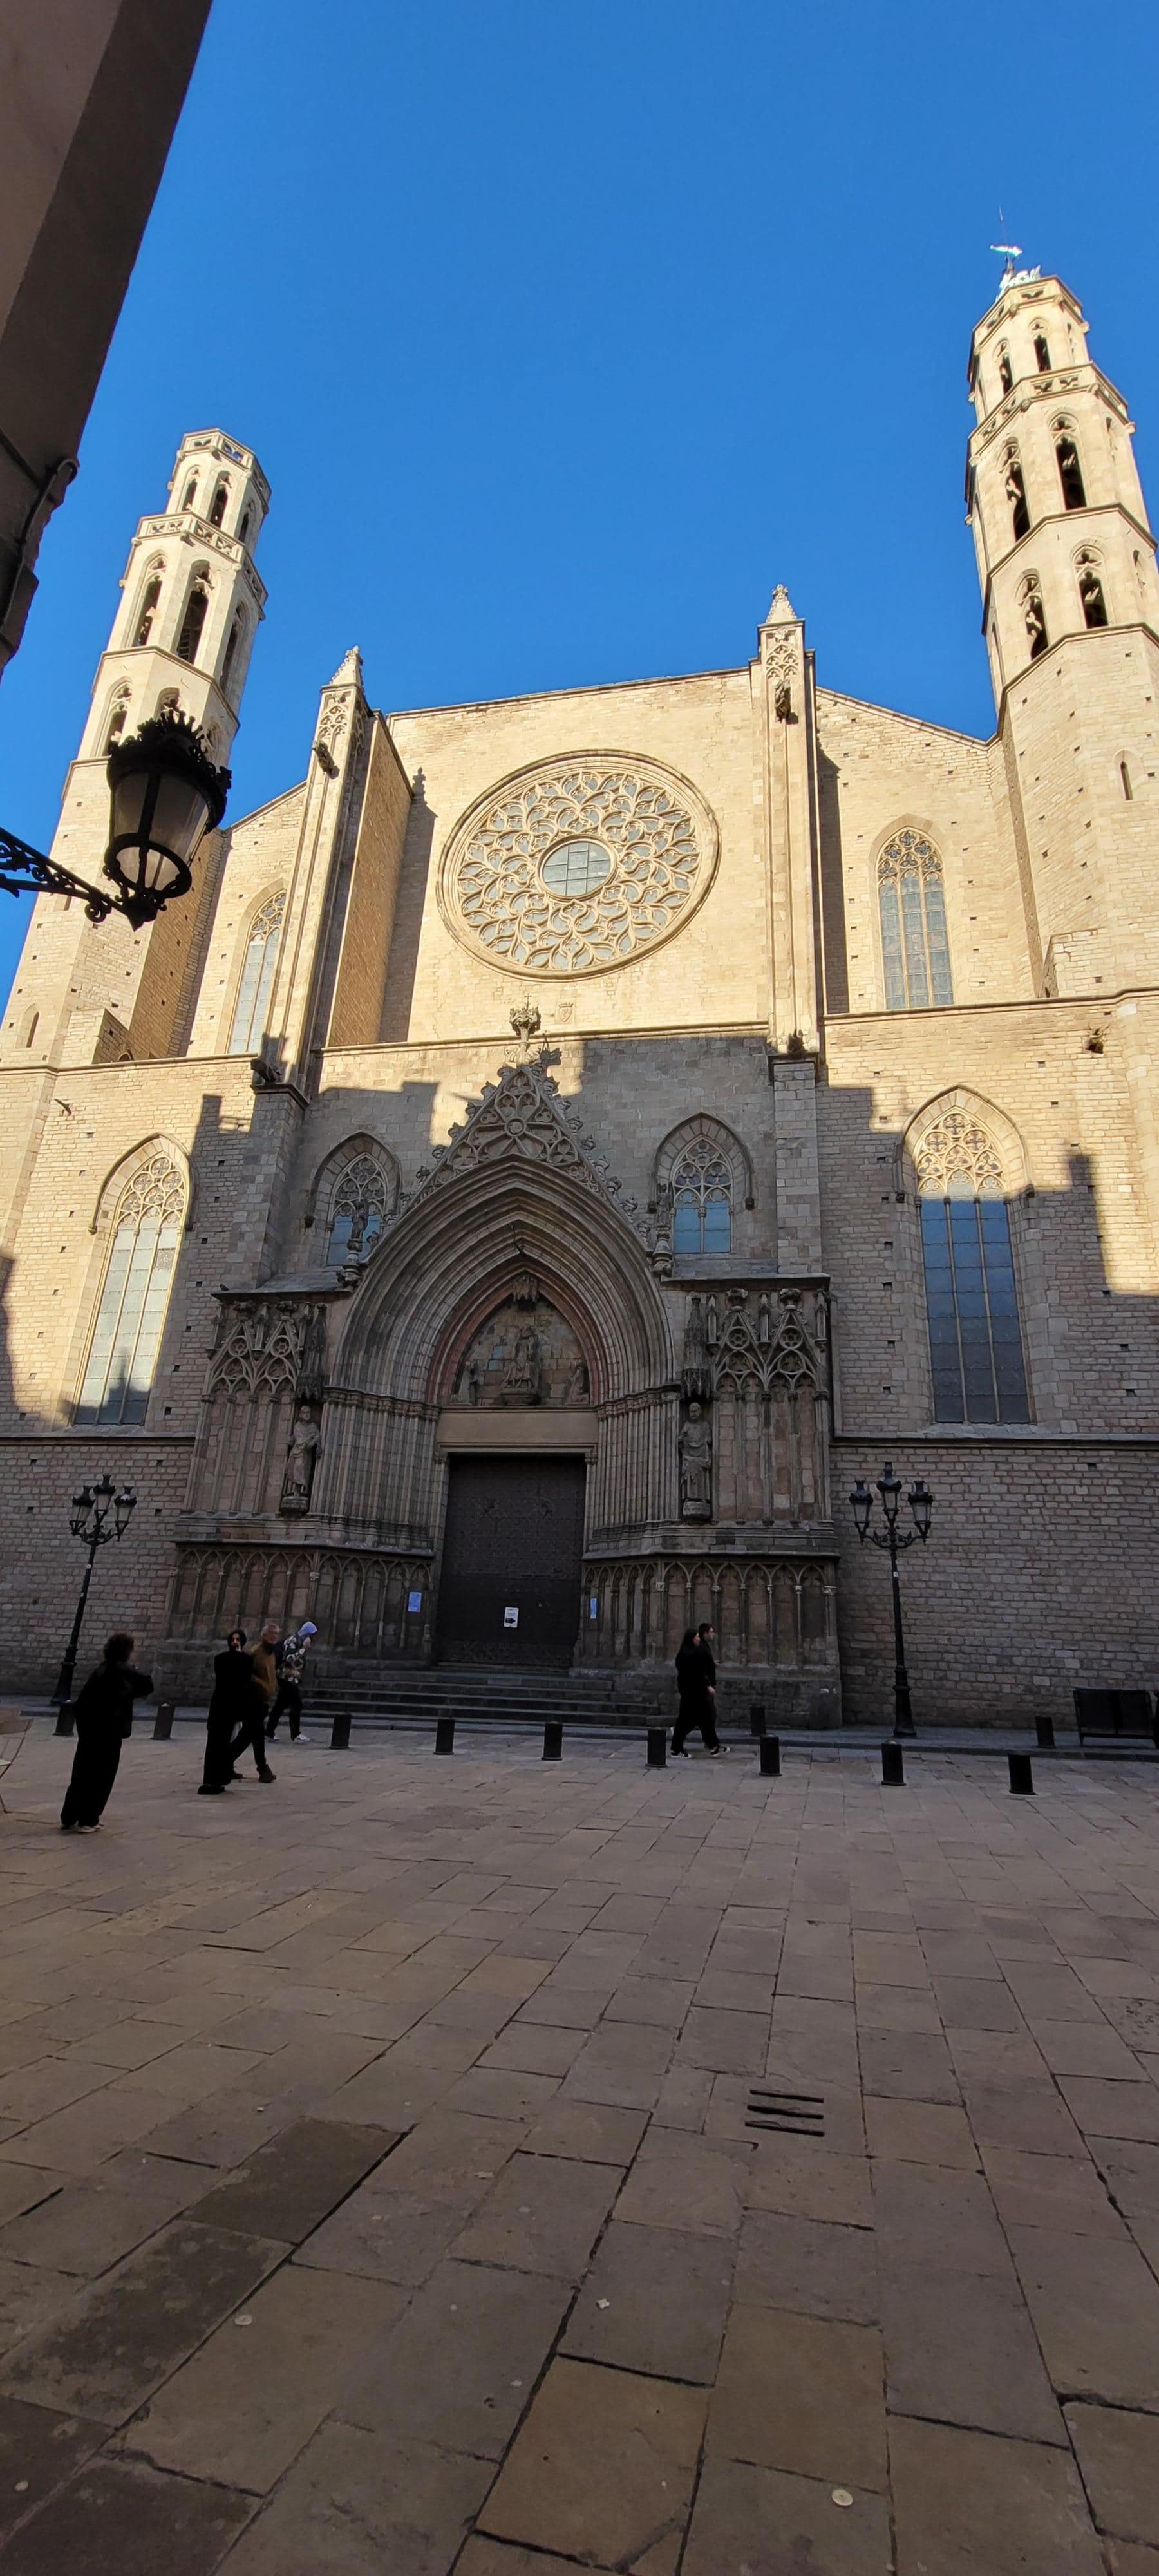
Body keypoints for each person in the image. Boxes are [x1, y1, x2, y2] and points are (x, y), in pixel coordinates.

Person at [61, 1633, 153, 1830]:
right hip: (109, 1730)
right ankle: (89, 1818)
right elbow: (147, 1684)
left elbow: (82, 1704)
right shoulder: (123, 1671)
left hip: (90, 1731)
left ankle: (69, 1816)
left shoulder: (100, 1671)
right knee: (102, 1775)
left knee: (82, 1773)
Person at [200, 1630, 266, 1794]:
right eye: (233, 1639)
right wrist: (238, 1655)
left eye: (238, 1639)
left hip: (233, 1705)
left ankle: (221, 1776)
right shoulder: (223, 1658)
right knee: (215, 1742)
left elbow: (244, 1676)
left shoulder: (244, 1659)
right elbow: (237, 1673)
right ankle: (211, 1780)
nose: (235, 1641)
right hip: (222, 1705)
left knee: (228, 1740)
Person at [672, 1620, 726, 1757]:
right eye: (696, 1637)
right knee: (688, 1722)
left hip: (692, 1692)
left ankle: (713, 1745)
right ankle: (677, 1748)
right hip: (693, 1693)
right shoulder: (690, 1654)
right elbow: (696, 1673)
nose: (698, 1639)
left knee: (704, 1718)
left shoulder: (685, 1653)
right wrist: (707, 1686)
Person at [265, 1621, 317, 1742]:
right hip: (286, 1678)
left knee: (280, 1705)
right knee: (297, 1705)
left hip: (290, 1678)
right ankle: (296, 1734)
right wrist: (304, 1649)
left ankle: (269, 1731)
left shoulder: (298, 1640)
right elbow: (290, 1657)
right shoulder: (293, 1641)